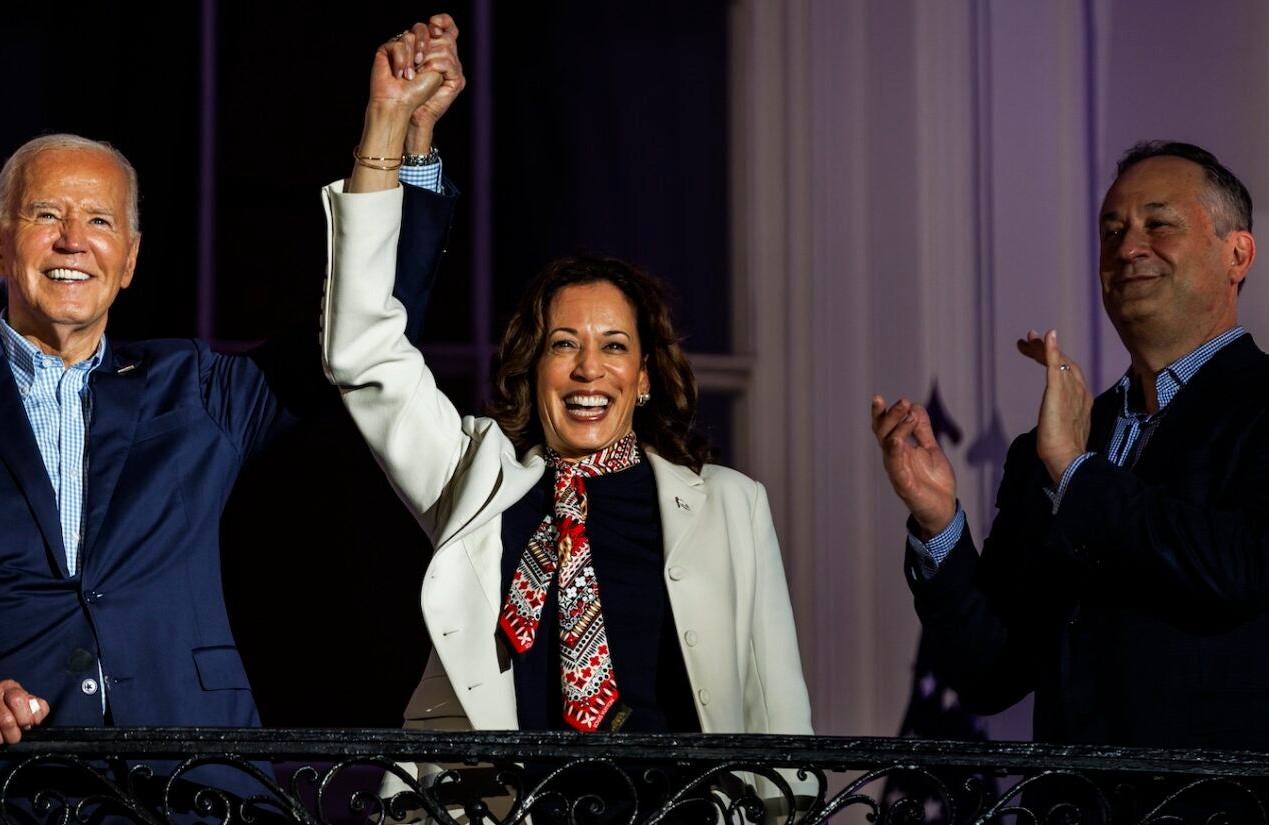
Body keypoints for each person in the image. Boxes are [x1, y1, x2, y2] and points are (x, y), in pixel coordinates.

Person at [0, 14, 463, 755]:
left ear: (129, 259)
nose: (74, 240)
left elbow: (363, 335)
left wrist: (398, 135)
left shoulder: (194, 386)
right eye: (47, 215)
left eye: (99, 220)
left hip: (188, 774)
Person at [318, 32, 815, 817]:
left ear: (645, 376)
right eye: (564, 345)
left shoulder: (730, 506)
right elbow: (363, 350)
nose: (589, 370)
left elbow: (785, 733)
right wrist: (387, 128)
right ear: (532, 367)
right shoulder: (476, 476)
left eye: (614, 347)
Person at [870, 141, 1269, 747]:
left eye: (1158, 224)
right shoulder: (1054, 445)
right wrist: (939, 525)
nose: (1128, 249)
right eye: (1111, 232)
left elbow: (1243, 569)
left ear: (1237, 252)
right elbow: (991, 672)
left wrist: (1078, 475)